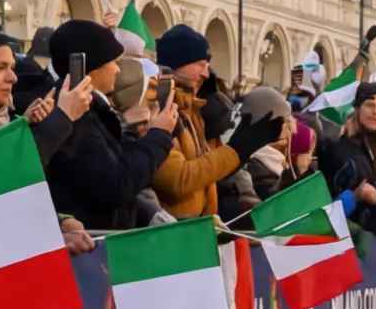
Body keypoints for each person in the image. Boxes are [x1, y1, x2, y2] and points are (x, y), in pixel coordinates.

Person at [40, 20, 178, 230]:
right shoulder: (75, 120)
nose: (117, 69)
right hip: (89, 247)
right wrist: (158, 136)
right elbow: (115, 186)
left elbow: (120, 166)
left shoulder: (95, 112)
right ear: (93, 67)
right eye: (113, 61)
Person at [150, 25, 278, 220]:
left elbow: (206, 172)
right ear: (177, 63)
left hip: (198, 227)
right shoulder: (160, 108)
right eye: (200, 64)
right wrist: (237, 149)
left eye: (207, 66)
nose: (206, 74)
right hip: (173, 230)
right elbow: (179, 180)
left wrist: (243, 151)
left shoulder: (193, 110)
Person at [320, 83, 376, 233]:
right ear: (357, 109)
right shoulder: (335, 147)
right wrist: (355, 197)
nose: (375, 112)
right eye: (370, 105)